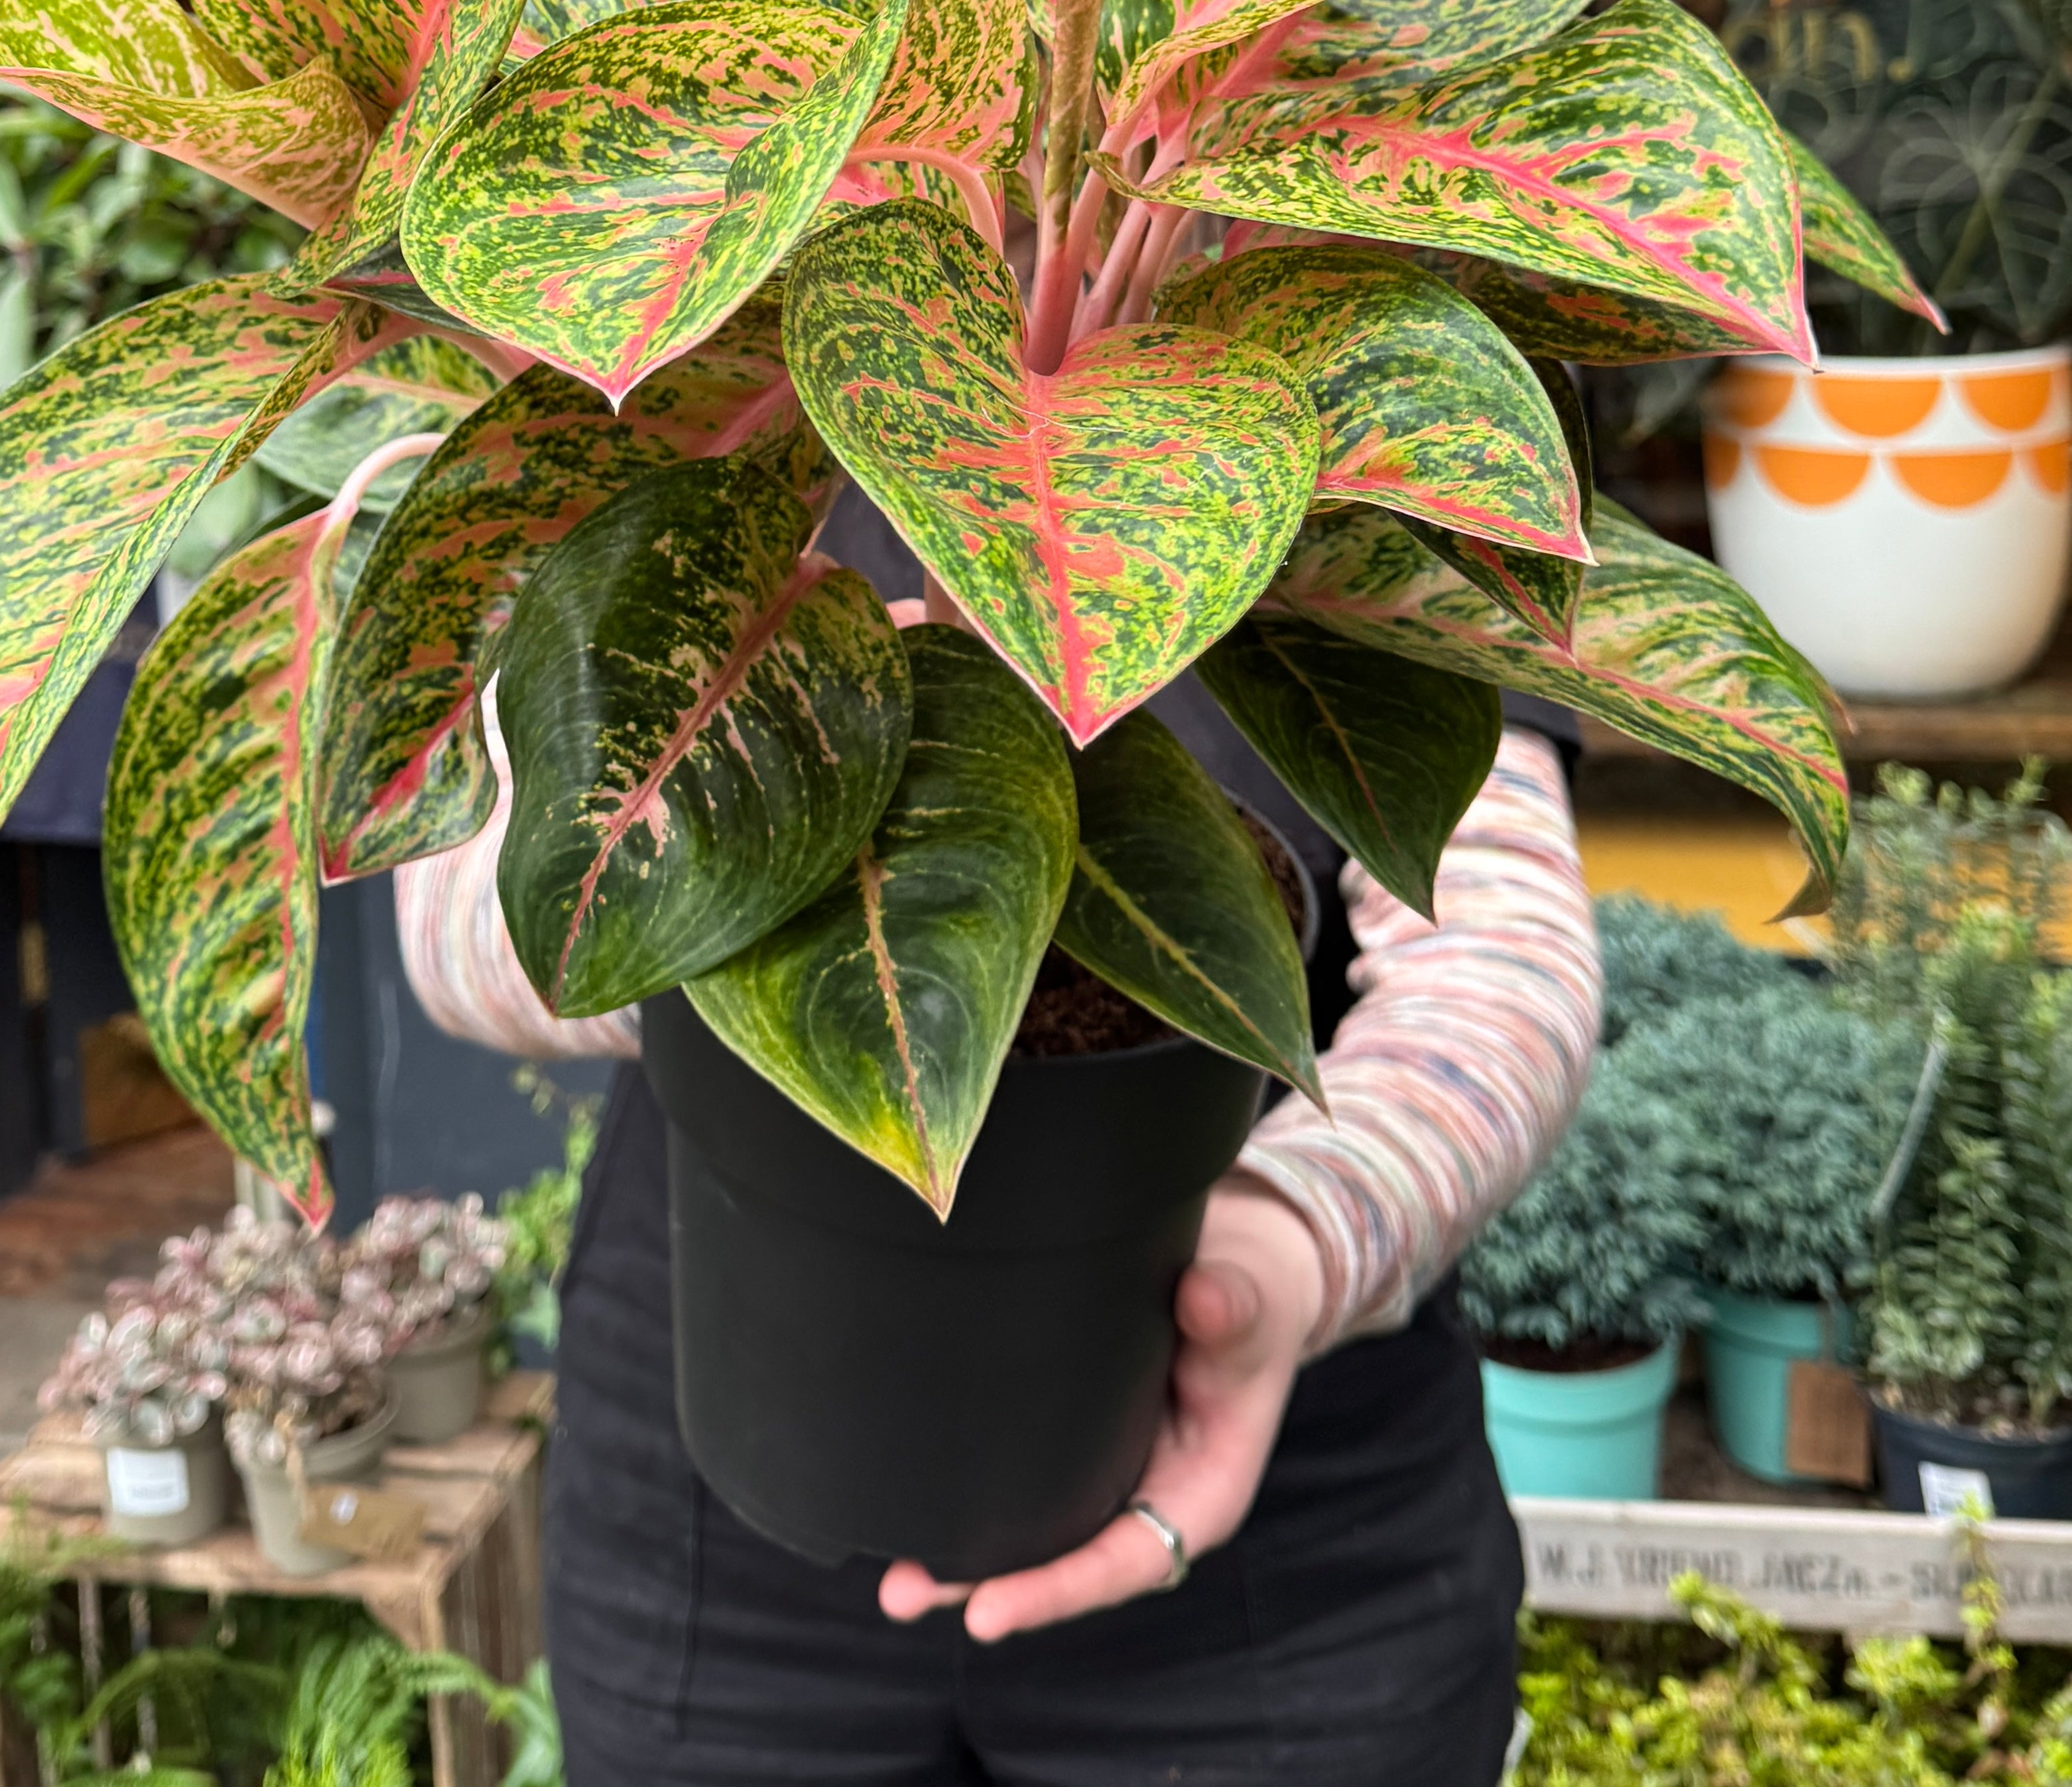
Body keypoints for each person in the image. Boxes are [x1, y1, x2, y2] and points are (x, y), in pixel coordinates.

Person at [399, 661, 1598, 1786]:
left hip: (1277, 1504)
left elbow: (1499, 969)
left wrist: (1294, 1239)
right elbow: (460, 925)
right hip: (734, 1466)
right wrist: (768, 766)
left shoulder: (1336, 450)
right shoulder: (653, 434)